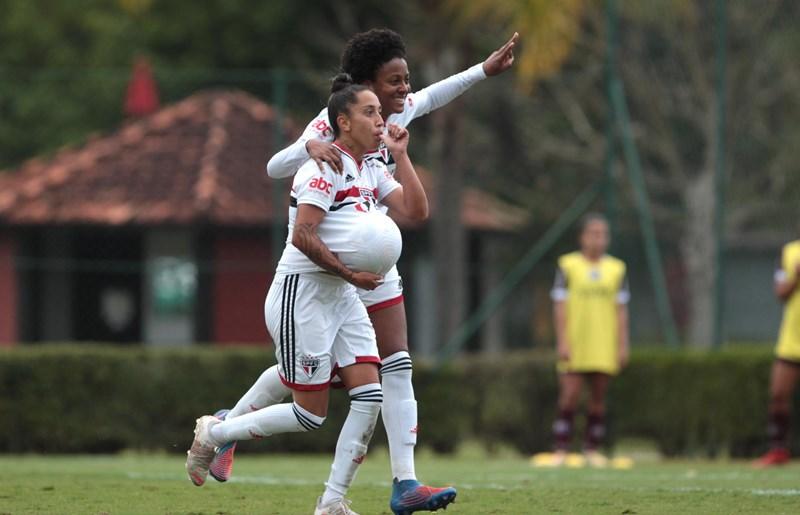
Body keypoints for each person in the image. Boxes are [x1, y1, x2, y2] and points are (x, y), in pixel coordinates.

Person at [209, 28, 517, 514]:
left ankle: (403, 483)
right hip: (329, 272)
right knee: (314, 384)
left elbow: (435, 99)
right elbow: (275, 168)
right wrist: (308, 148)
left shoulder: (392, 124)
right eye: (393, 81)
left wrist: (485, 69)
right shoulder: (335, 125)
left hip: (373, 271)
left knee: (391, 368)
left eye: (405, 80)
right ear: (365, 86)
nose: (403, 91)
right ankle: (230, 424)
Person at [186, 78, 429, 515]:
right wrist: (349, 272)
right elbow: (302, 236)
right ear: (343, 121)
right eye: (370, 112)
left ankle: (332, 503)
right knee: (310, 415)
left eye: (380, 112)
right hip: (304, 298)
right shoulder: (319, 168)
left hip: (343, 294)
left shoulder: (370, 167)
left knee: (370, 396)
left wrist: (402, 156)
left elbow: (417, 211)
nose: (380, 120)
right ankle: (216, 433)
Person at [549, 212, 630, 467]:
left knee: (598, 398)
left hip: (603, 342)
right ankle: (561, 448)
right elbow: (559, 306)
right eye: (594, 233)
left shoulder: (617, 269)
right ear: (582, 237)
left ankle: (591, 448)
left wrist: (622, 344)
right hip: (576, 341)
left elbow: (622, 310)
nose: (599, 239)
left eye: (603, 234)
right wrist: (562, 340)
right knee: (570, 394)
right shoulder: (568, 265)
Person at [754, 236, 800, 467]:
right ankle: (778, 450)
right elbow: (781, 293)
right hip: (792, 341)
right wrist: (797, 278)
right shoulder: (789, 252)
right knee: (778, 395)